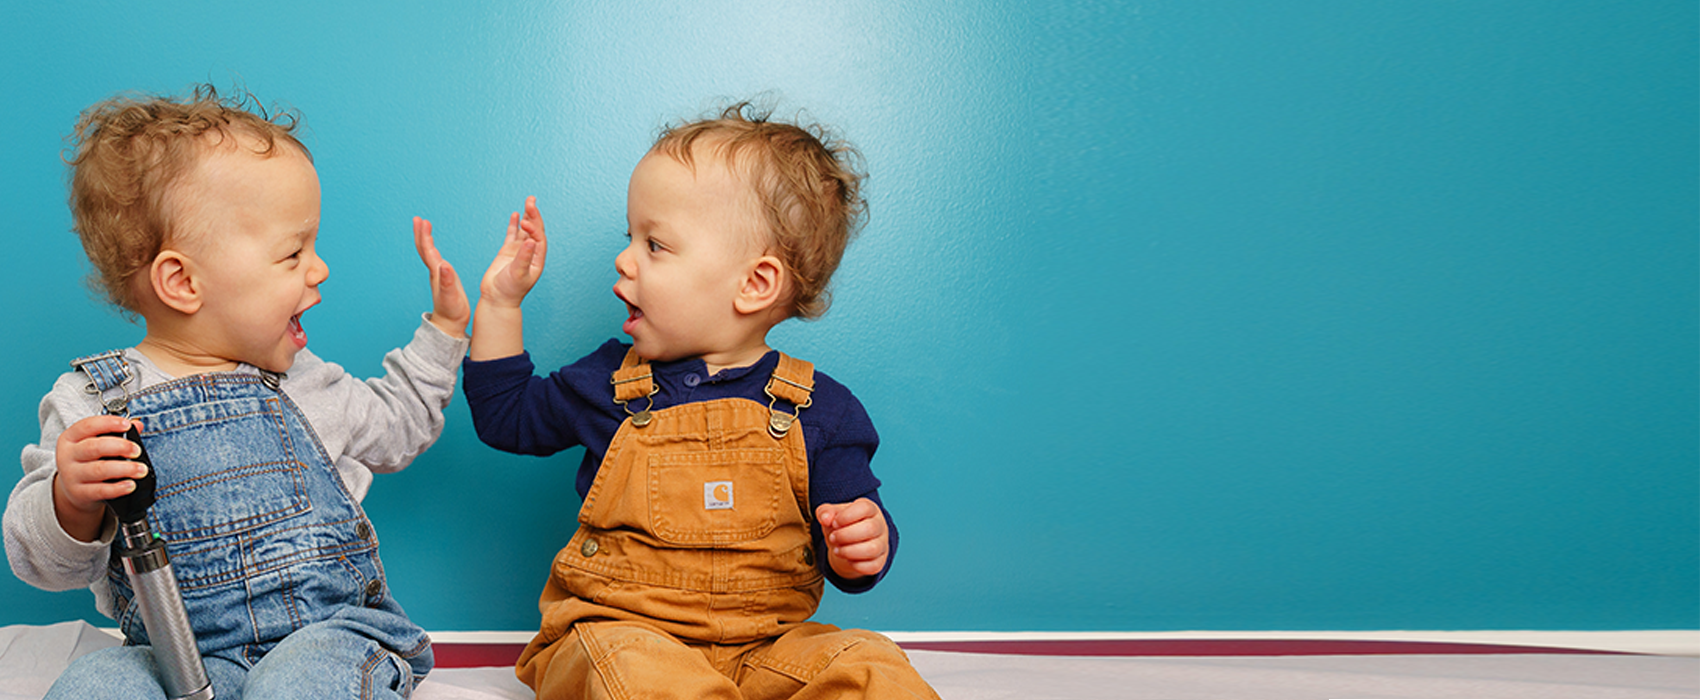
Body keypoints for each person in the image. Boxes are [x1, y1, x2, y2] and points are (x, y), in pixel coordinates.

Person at [3, 85, 471, 699]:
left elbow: (401, 422)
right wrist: (70, 498)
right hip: (177, 655)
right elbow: (42, 563)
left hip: (327, 636)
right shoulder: (91, 403)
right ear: (182, 281)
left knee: (299, 684)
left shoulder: (305, 381)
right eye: (293, 252)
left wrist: (444, 332)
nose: (320, 268)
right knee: (96, 682)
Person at [461, 104, 939, 699]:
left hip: (767, 646)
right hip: (624, 630)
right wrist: (501, 306)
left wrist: (862, 545)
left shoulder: (820, 410)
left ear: (755, 284)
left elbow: (849, 538)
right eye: (629, 237)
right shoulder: (607, 382)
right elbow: (505, 418)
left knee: (871, 663)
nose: (624, 258)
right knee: (625, 668)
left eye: (655, 245)